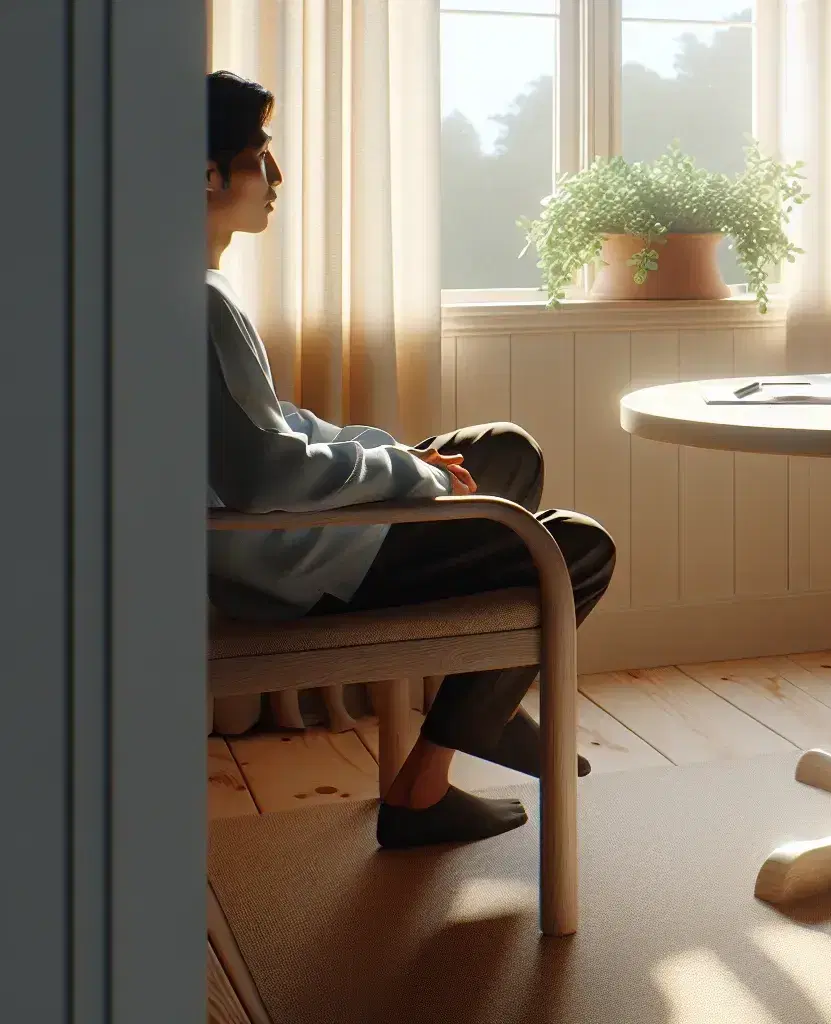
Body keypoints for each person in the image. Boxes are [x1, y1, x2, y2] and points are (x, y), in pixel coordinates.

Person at [205, 70, 615, 849]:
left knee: (502, 452)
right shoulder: (196, 304)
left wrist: (396, 452)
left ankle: (484, 702)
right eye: (261, 154)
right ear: (207, 174)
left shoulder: (188, 288)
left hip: (279, 543)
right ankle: (427, 783)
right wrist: (412, 475)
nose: (277, 175)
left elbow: (276, 427)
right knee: (578, 550)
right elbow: (264, 473)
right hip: (284, 564)